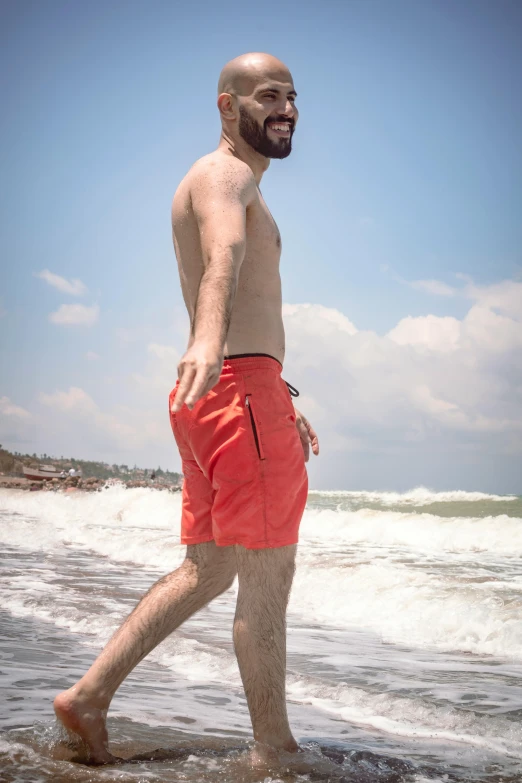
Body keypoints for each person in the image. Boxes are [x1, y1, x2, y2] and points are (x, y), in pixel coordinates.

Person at [53, 52, 319, 765]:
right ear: (228, 107)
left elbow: (236, 286)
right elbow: (222, 259)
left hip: (227, 395)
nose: (286, 107)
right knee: (265, 580)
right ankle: (276, 750)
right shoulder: (225, 176)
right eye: (269, 96)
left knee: (209, 567)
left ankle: (90, 695)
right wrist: (210, 341)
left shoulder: (223, 180)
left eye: (293, 96)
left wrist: (275, 392)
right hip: (235, 390)